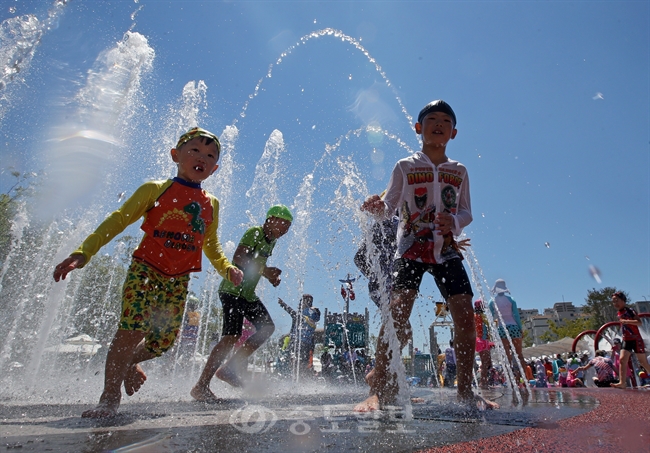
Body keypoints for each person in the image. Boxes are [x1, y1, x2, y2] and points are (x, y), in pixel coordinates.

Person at [52, 127, 244, 418]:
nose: (201, 158)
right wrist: (84, 252)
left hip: (178, 279)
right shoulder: (155, 189)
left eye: (209, 155)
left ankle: (128, 362)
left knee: (162, 342)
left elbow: (211, 244)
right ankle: (109, 398)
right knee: (132, 329)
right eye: (194, 151)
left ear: (215, 168)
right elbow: (118, 220)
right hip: (146, 270)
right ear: (175, 155)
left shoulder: (211, 203)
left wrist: (227, 268)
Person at [354, 100, 498, 411]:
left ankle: (465, 391)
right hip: (410, 249)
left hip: (446, 251)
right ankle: (379, 388)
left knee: (464, 314)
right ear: (418, 127)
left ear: (454, 132)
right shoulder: (405, 166)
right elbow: (388, 207)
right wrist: (374, 207)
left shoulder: (458, 171)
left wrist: (455, 222)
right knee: (396, 314)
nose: (438, 124)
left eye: (445, 121)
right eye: (431, 119)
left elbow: (466, 211)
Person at [191, 205, 292, 401]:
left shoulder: (270, 242)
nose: (285, 230)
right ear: (270, 219)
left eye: (288, 227)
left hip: (247, 294)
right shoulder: (255, 232)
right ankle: (201, 386)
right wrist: (265, 271)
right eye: (283, 224)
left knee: (267, 328)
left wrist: (269, 276)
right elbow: (239, 258)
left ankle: (229, 368)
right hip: (232, 290)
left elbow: (256, 266)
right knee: (230, 337)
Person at [610, 291, 650, 389]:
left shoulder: (630, 311)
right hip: (626, 339)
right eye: (613, 302)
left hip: (636, 339)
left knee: (643, 362)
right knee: (622, 360)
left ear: (623, 300)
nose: (615, 303)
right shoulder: (619, 313)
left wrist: (626, 321)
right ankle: (622, 382)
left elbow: (639, 322)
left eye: (617, 301)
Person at [489, 279, 526, 381]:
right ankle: (523, 377)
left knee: (507, 355)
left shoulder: (492, 301)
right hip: (514, 327)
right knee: (519, 354)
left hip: (502, 328)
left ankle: (510, 378)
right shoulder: (511, 300)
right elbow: (516, 315)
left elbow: (490, 317)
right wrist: (520, 328)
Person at [474, 300, 493, 389]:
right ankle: (483, 381)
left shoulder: (477, 316)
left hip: (481, 340)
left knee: (486, 362)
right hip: (482, 340)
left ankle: (484, 380)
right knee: (485, 362)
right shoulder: (480, 316)